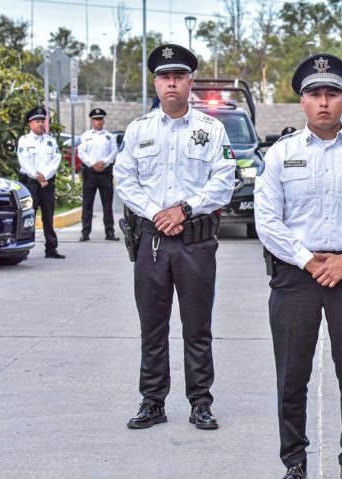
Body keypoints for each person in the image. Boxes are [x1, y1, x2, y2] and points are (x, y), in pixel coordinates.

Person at [254, 53, 342, 479]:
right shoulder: (281, 155)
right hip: (295, 276)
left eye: (331, 94)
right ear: (302, 102)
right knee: (291, 376)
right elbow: (267, 219)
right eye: (314, 94)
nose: (323, 102)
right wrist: (307, 260)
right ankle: (294, 462)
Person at [114, 44, 236, 430]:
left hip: (195, 241)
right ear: (156, 83)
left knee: (197, 327)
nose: (171, 83)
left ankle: (200, 402)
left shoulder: (211, 130)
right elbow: (124, 179)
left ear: (190, 82)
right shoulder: (139, 129)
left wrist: (183, 209)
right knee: (152, 326)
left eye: (178, 76)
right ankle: (153, 402)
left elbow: (224, 181)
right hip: (151, 240)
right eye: (165, 77)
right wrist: (156, 213)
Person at [16, 106, 65, 259]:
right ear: (30, 124)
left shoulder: (50, 141)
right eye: (37, 121)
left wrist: (45, 176)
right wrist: (37, 176)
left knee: (48, 216)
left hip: (47, 184)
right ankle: (23, 249)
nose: (40, 124)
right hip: (31, 183)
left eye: (42, 121)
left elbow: (56, 159)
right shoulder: (24, 140)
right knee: (28, 217)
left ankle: (51, 248)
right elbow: (24, 161)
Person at [78, 108, 120, 242]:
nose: (98, 122)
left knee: (107, 205)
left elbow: (114, 151)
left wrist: (104, 162)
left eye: (100, 119)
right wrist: (92, 164)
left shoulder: (109, 136)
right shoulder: (85, 136)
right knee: (87, 205)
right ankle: (85, 233)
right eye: (96, 119)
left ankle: (110, 232)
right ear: (92, 121)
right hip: (90, 173)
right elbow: (81, 152)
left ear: (104, 120)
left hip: (105, 173)